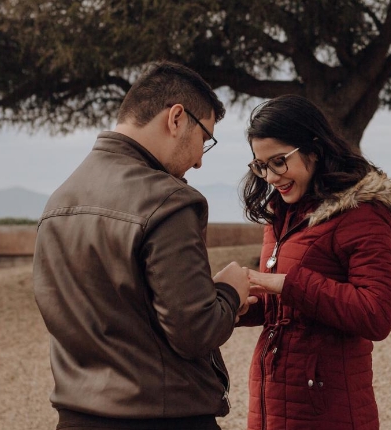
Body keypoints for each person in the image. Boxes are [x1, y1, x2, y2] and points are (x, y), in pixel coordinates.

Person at [32, 62, 255, 430]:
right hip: (161, 417)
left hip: (75, 418)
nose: (200, 160)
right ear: (177, 118)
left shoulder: (57, 202)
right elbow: (195, 331)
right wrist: (230, 291)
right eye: (205, 140)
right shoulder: (169, 200)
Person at [236, 95, 391, 430]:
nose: (271, 177)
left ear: (314, 150)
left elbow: (376, 314)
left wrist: (287, 284)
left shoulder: (362, 213)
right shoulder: (280, 214)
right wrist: (245, 307)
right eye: (260, 166)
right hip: (271, 400)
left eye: (279, 161)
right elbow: (287, 311)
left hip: (327, 407)